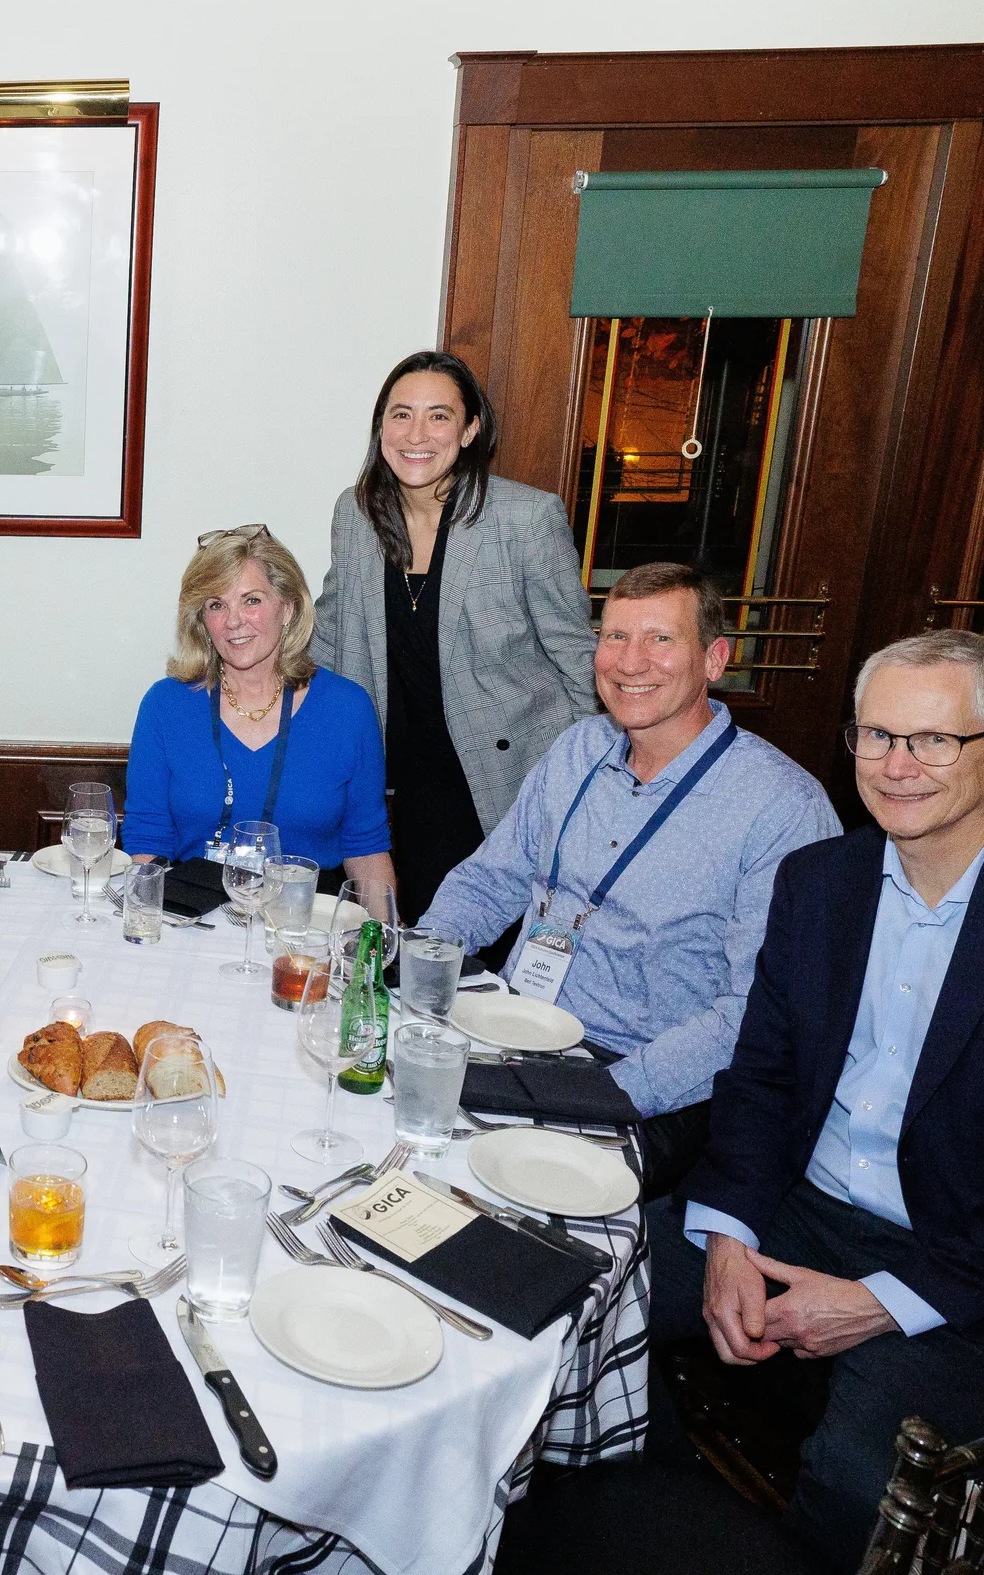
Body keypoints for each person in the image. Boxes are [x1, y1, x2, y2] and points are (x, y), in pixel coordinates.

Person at [653, 630, 984, 1569]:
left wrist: (880, 1301)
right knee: (599, 1287)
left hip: (983, 1258)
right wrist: (726, 1232)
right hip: (809, 1208)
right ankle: (658, 1522)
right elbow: (761, 1079)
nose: (896, 765)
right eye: (876, 735)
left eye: (933, 740)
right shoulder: (819, 882)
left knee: (864, 1465)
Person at [419, 562, 840, 1186]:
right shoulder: (578, 749)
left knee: (494, 1208)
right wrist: (419, 973)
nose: (630, 662)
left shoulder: (782, 808)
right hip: (514, 1030)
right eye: (615, 637)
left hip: (644, 1080)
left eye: (660, 640)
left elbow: (754, 1012)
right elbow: (490, 880)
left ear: (715, 659)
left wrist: (598, 1092)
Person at [311, 351, 594, 917]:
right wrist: (244, 677)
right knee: (391, 940)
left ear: (470, 429)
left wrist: (589, 779)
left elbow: (579, 658)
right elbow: (333, 633)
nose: (417, 434)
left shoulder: (525, 518)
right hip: (394, 776)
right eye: (400, 414)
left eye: (439, 416)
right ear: (381, 428)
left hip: (499, 778)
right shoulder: (357, 513)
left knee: (464, 958)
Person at [123, 526, 396, 892]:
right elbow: (146, 840)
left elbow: (366, 848)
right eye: (216, 605)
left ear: (287, 607)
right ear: (202, 621)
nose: (233, 621)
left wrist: (382, 941)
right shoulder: (165, 705)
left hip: (306, 926)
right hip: (194, 917)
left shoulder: (347, 709)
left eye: (251, 600)